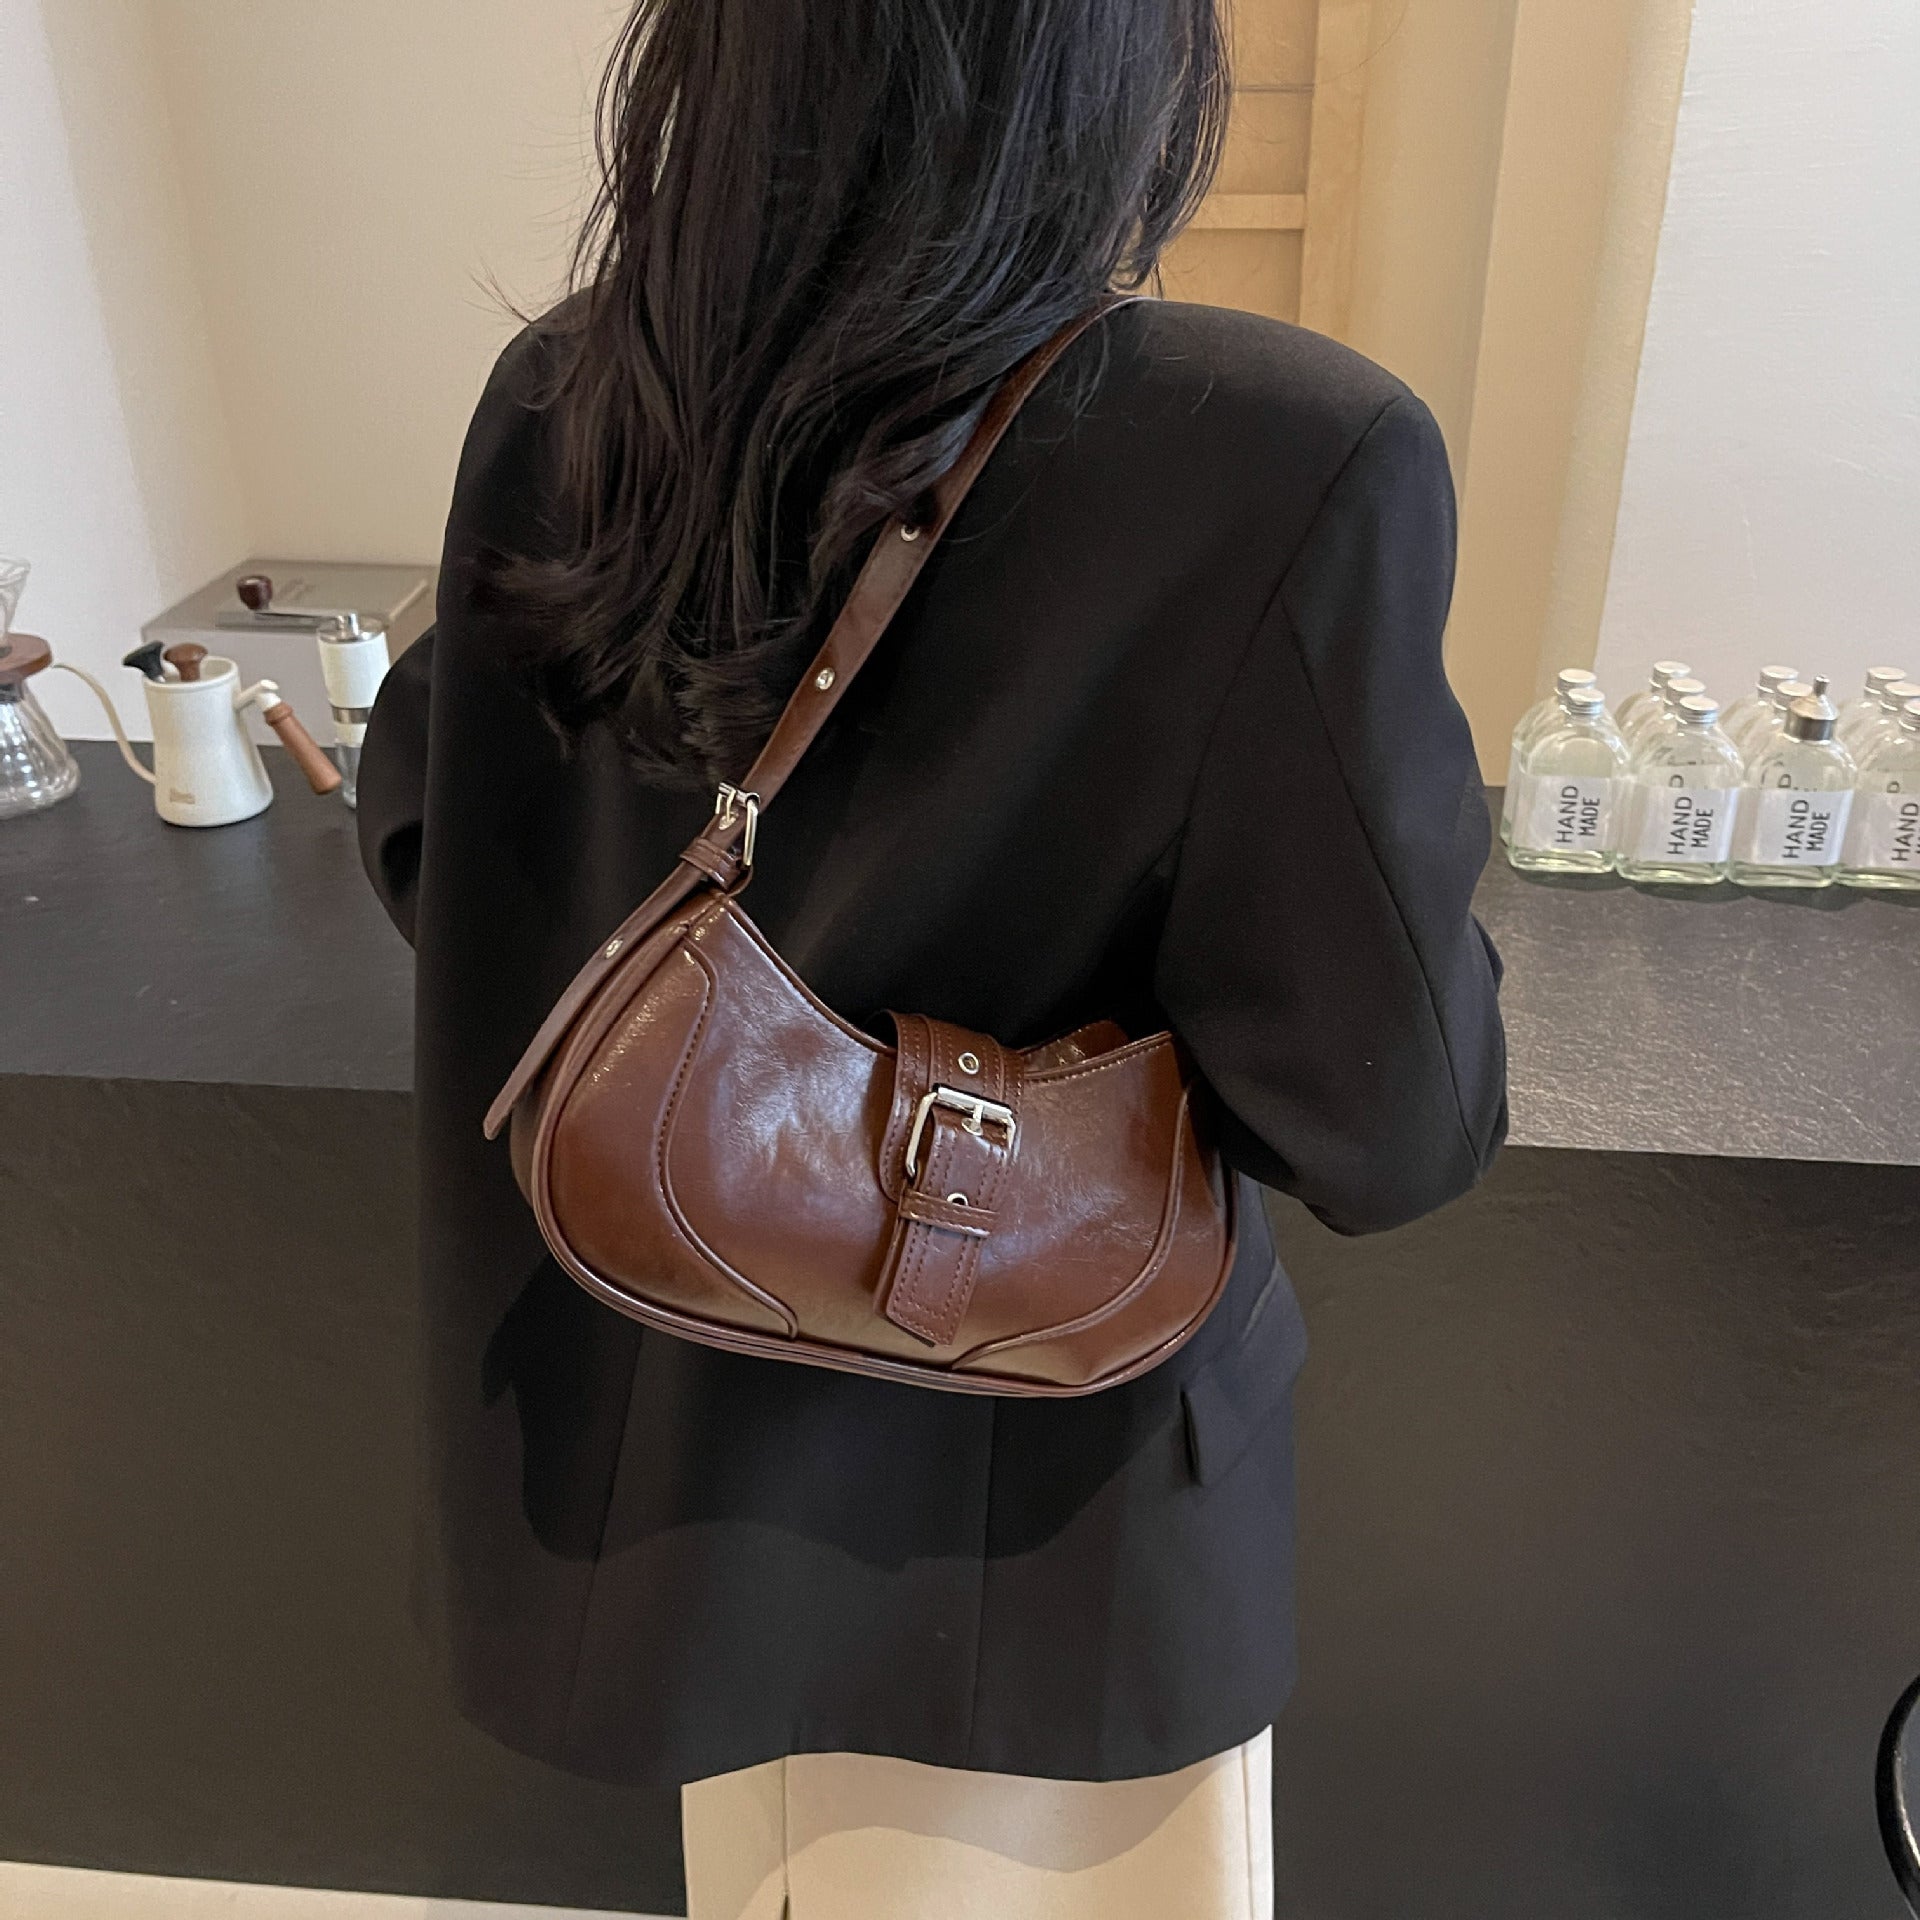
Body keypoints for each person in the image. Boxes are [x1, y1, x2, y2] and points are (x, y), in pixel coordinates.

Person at [356, 1, 1507, 1913]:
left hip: (663, 1477)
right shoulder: (1285, 453)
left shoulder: (572, 388)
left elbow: (432, 840)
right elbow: (1392, 1118)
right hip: (1042, 1528)